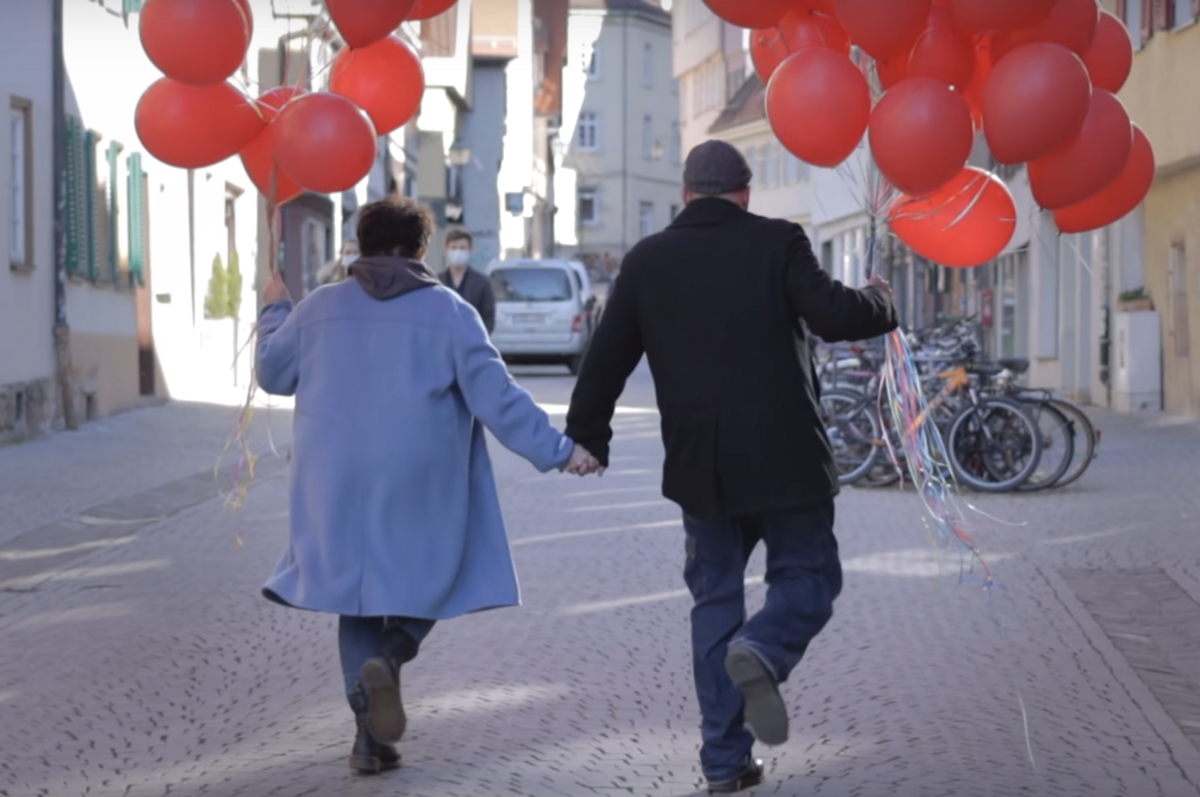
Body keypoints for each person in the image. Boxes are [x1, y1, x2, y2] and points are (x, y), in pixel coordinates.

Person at [564, 140, 898, 794]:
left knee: (715, 604)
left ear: (686, 194)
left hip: (702, 466)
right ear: (746, 193)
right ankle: (765, 649)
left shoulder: (647, 259)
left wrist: (588, 438)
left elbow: (606, 358)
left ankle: (724, 762)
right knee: (809, 576)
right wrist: (880, 300)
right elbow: (833, 313)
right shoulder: (778, 240)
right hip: (787, 457)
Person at [255, 197, 598, 776]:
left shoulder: (317, 308)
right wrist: (562, 451)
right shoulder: (450, 312)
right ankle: (392, 655)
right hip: (419, 476)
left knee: (354, 597)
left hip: (333, 480)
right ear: (423, 249)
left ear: (361, 245)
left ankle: (367, 738)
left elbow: (272, 373)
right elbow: (499, 399)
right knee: (447, 569)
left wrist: (274, 310)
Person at [440, 229, 496, 334]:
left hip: (472, 340)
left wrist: (477, 338)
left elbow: (488, 318)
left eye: (462, 248)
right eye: (454, 248)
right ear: (446, 250)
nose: (458, 252)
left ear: (470, 250)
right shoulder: (437, 282)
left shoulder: (482, 283)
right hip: (442, 340)